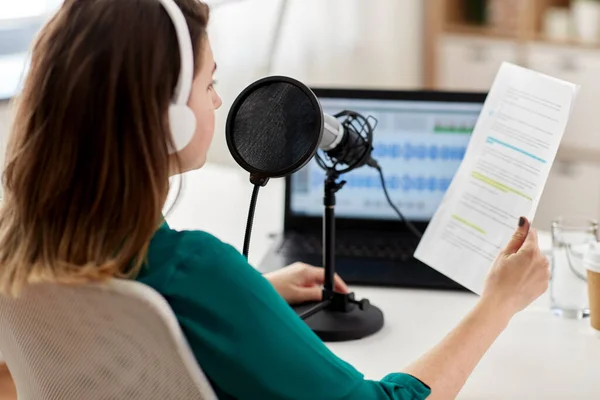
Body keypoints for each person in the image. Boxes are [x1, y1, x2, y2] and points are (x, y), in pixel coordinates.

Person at [0, 0, 550, 399]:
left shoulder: (18, 245)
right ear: (167, 116)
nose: (217, 101)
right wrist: (497, 302)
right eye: (208, 83)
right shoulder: (195, 271)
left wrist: (252, 295)